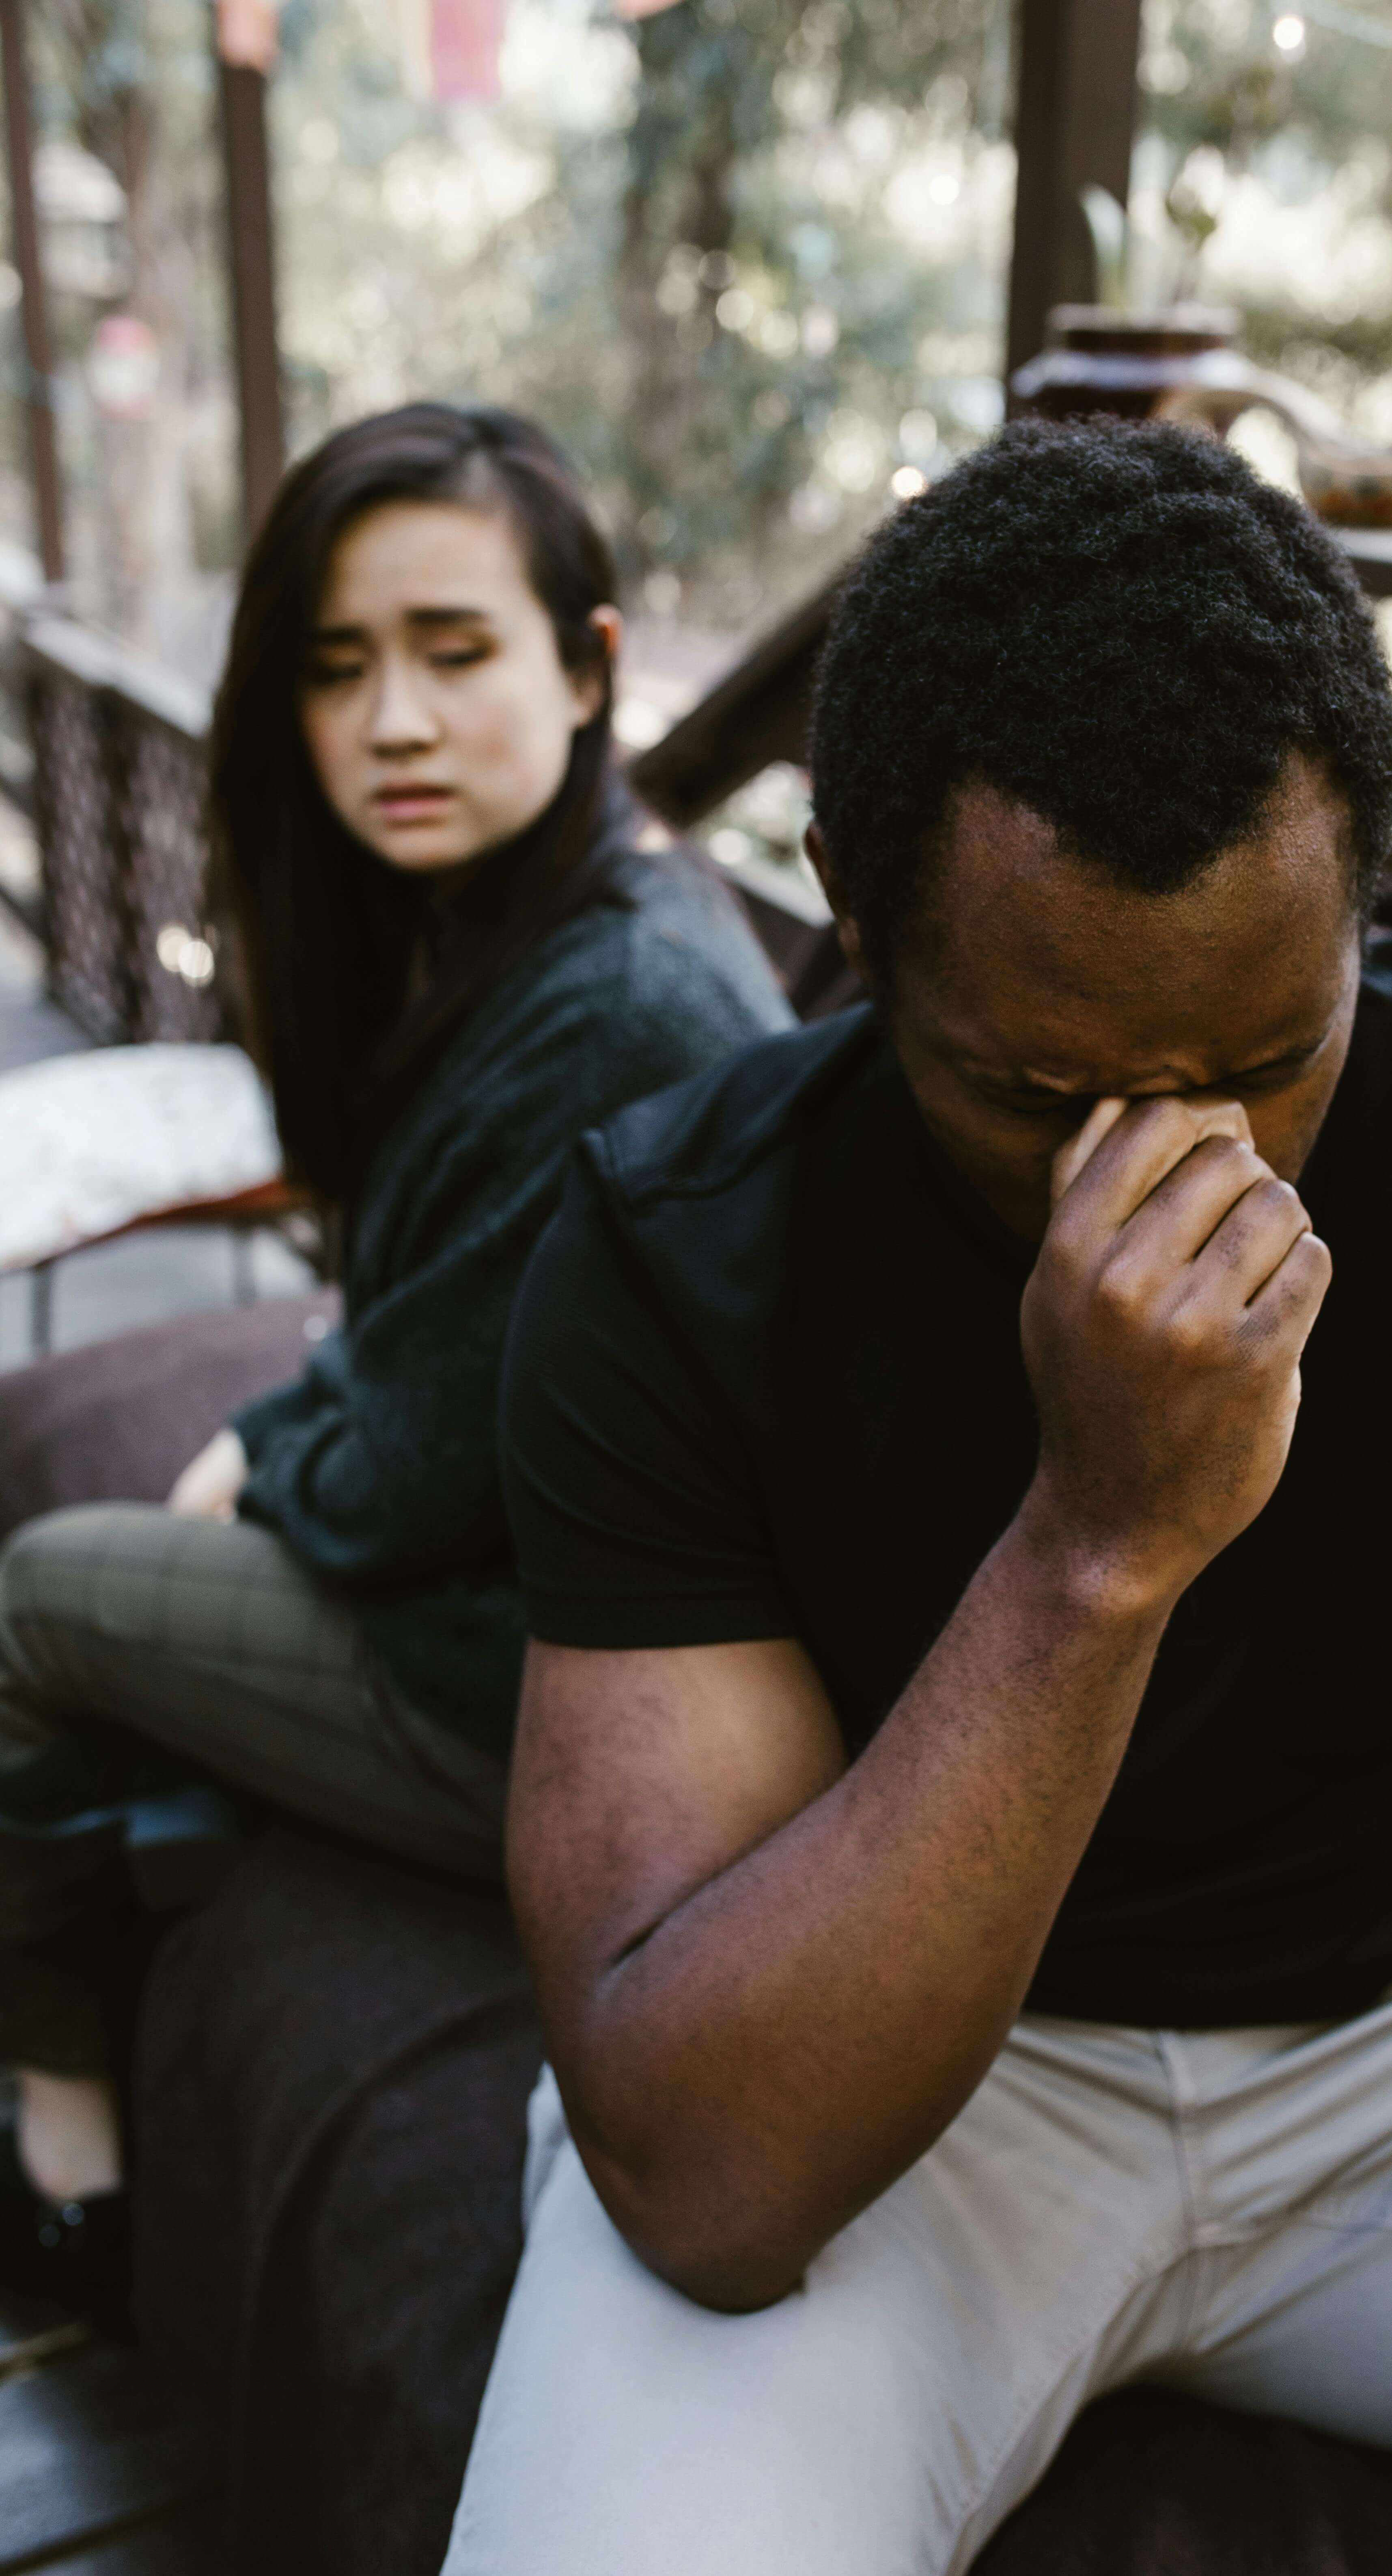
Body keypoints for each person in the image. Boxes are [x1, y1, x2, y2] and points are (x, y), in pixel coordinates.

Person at [446, 419, 1392, 2574]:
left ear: (1363, 913)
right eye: (1034, 1094)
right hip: (908, 2122)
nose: (1168, 1173)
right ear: (856, 933)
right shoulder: (674, 1250)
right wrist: (1096, 1541)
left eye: (1258, 1060)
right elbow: (707, 2170)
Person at [0, 401, 792, 2311]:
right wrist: (301, 1427)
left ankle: (62, 2126)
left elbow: (403, 1472)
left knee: (33, 1595)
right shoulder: (517, 918)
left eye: (456, 652)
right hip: (540, 1583)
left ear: (589, 666)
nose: (395, 723)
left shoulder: (623, 1003)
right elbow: (419, 1351)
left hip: (579, 1695)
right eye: (340, 667)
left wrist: (265, 1456)